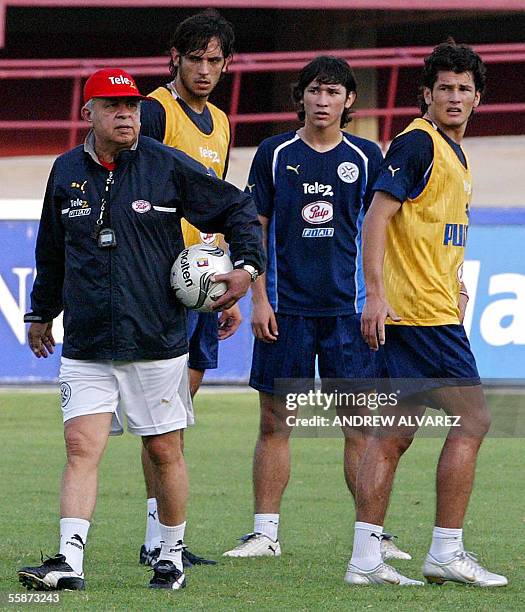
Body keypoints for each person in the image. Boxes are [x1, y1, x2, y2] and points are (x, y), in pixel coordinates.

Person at [17, 67, 264, 593]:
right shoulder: (64, 172)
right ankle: (68, 561)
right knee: (81, 446)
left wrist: (245, 268)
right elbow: (51, 250)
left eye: (130, 106)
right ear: (89, 114)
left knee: (163, 450)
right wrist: (41, 312)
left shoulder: (165, 165)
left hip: (156, 342)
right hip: (86, 343)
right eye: (112, 107)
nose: (126, 114)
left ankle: (169, 554)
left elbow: (238, 206)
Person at [223, 56, 408, 562]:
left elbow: (383, 231)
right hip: (286, 311)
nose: (322, 101)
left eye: (333, 92)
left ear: (350, 100)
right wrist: (259, 298)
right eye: (314, 91)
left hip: (349, 312)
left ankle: (372, 536)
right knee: (274, 422)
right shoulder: (275, 153)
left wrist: (377, 295)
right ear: (300, 96)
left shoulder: (369, 155)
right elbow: (253, 226)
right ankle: (264, 533)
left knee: (359, 425)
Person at [347, 41, 508, 587]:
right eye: (445, 88)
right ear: (427, 95)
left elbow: (432, 233)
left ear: (478, 98)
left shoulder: (455, 156)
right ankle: (446, 551)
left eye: (465, 88)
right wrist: (374, 292)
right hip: (419, 315)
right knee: (475, 420)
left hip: (428, 307)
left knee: (393, 434)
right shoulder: (418, 143)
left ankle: (365, 558)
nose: (455, 96)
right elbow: (376, 218)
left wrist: (455, 281)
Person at [138, 9, 239, 569]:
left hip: (202, 282)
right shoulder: (154, 111)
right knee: (162, 416)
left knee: (178, 410)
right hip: (158, 281)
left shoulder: (221, 121)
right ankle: (158, 539)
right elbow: (131, 185)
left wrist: (223, 271)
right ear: (175, 58)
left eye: (214, 60)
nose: (204, 69)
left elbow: (215, 202)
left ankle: (162, 533)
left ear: (226, 64)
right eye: (194, 58)